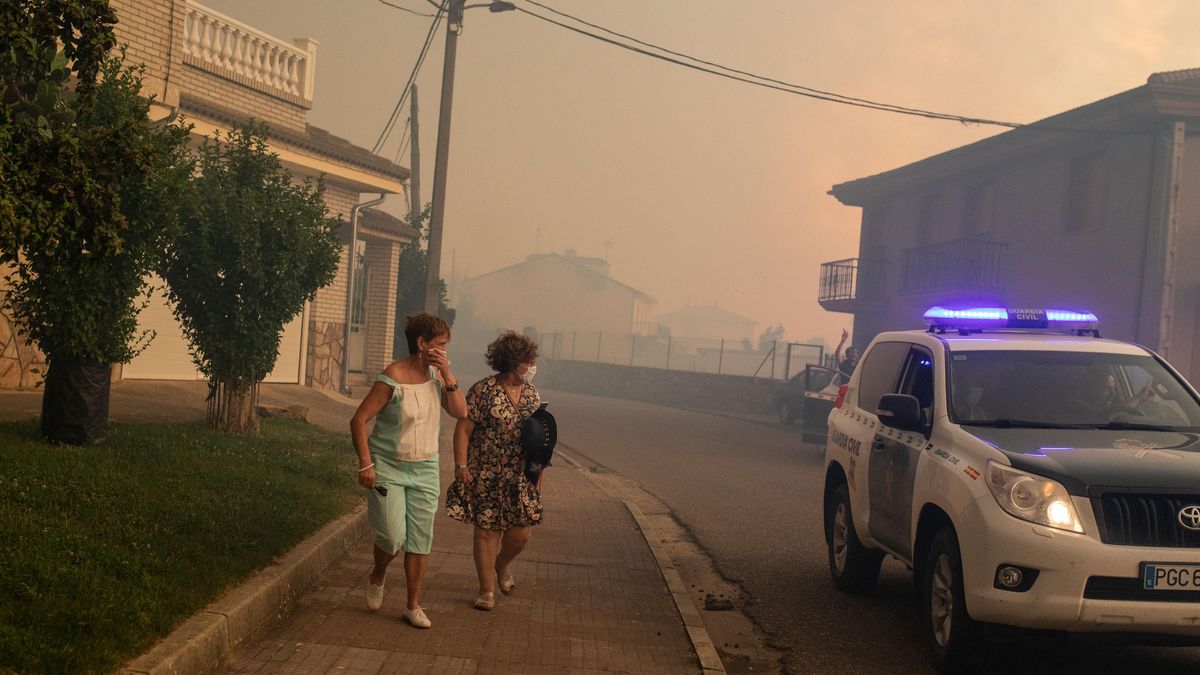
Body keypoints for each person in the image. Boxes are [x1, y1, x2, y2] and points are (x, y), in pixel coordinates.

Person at [349, 313, 467, 629]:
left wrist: (446, 370)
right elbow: (359, 420)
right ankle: (378, 573)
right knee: (391, 536)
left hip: (426, 468)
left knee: (419, 540)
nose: (444, 350)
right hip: (388, 466)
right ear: (421, 344)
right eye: (440, 345)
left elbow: (460, 412)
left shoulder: (438, 377)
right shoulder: (393, 376)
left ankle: (413, 606)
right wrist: (366, 462)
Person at [445, 331, 544, 611]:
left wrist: (539, 478)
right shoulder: (483, 390)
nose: (532, 365)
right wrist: (461, 464)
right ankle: (486, 589)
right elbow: (463, 430)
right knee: (486, 532)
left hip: (521, 476)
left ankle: (501, 565)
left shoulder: (532, 394)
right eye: (529, 360)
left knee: (522, 532)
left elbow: (540, 441)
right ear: (514, 361)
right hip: (486, 473)